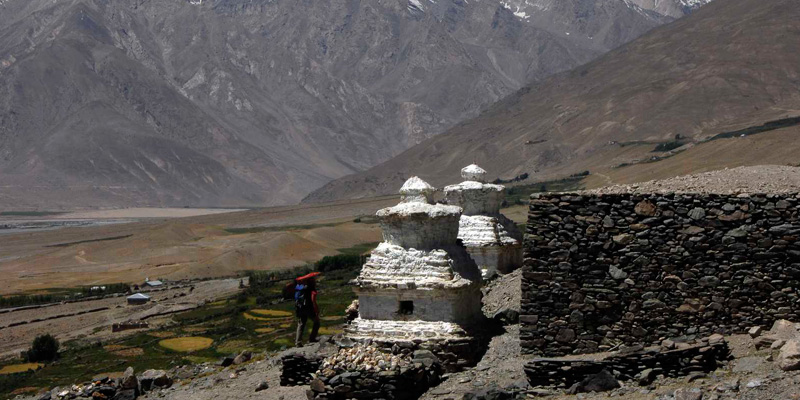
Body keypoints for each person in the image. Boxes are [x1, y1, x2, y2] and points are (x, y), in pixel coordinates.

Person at [294, 272, 321, 346]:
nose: (315, 281)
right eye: (314, 280)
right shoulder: (311, 288)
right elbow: (313, 300)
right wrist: (316, 310)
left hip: (300, 308)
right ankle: (312, 338)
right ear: (311, 281)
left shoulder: (302, 288)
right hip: (308, 308)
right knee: (317, 322)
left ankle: (298, 342)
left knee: (301, 324)